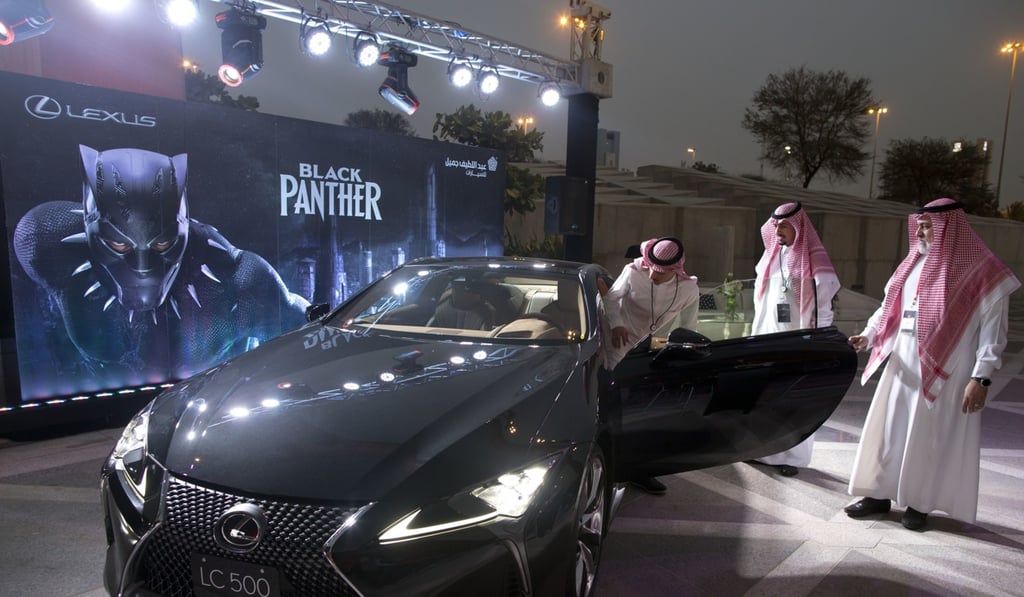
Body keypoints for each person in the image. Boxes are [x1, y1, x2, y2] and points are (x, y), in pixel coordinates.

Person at [13, 145, 310, 383]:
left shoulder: (238, 278)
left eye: (160, 245)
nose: (142, 266)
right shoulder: (45, 238)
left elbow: (303, 330)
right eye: (121, 245)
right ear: (91, 229)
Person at [844, 198, 1020, 530]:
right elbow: (889, 306)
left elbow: (994, 330)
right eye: (920, 226)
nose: (921, 233)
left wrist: (981, 377)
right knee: (889, 430)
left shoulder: (982, 271)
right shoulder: (913, 262)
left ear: (949, 227)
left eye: (928, 227)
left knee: (929, 438)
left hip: (950, 367)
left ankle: (919, 503)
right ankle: (878, 495)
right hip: (903, 363)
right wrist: (869, 335)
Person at [601, 236, 700, 494]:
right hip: (619, 342)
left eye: (660, 272)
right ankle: (609, 466)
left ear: (675, 269)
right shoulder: (633, 272)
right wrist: (616, 324)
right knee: (617, 408)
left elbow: (688, 328)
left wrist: (680, 354)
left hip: (654, 349)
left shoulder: (689, 289)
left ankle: (640, 470)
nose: (653, 275)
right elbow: (610, 299)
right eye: (651, 268)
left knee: (646, 414)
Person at [750, 201, 841, 476]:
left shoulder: (814, 263)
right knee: (766, 396)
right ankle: (762, 451)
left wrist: (818, 343)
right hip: (768, 339)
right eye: (776, 225)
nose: (778, 231)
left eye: (784, 226)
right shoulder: (770, 257)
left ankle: (792, 456)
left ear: (799, 228)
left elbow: (823, 308)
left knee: (794, 398)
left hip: (797, 342)